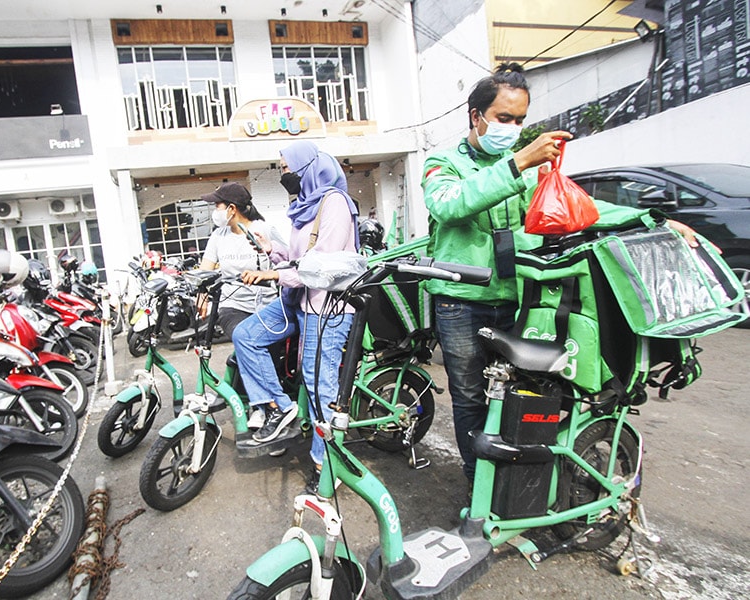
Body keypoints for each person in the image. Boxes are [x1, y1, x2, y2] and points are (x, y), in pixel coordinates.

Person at [422, 62, 697, 487]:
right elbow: (449, 204)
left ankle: (519, 484)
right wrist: (517, 164)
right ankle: (478, 483)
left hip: (522, 299)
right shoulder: (444, 162)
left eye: (519, 121)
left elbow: (580, 212)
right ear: (476, 116)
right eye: (503, 118)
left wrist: (650, 219)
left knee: (525, 393)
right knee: (472, 399)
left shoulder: (530, 173)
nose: (512, 128)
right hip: (461, 304)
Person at [232, 140, 358, 494]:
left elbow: (323, 264)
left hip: (327, 307)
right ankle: (280, 406)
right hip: (298, 298)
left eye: (287, 168)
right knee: (246, 336)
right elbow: (300, 258)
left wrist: (274, 275)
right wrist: (273, 250)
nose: (284, 174)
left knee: (321, 388)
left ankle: (327, 464)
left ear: (309, 167)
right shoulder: (303, 206)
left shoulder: (334, 202)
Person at [197, 182, 285, 340]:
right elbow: (205, 272)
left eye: (217, 206)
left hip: (268, 305)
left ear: (231, 209)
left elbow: (287, 262)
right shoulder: (218, 236)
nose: (215, 211)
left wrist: (267, 274)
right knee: (244, 337)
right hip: (232, 306)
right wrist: (201, 294)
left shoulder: (265, 230)